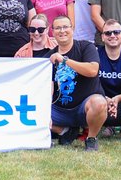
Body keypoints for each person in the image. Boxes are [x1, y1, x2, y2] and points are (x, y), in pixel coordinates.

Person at [45, 15, 106, 152]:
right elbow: (48, 86)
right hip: (59, 110)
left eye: (65, 27)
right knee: (34, 110)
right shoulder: (49, 57)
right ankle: (64, 131)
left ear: (72, 29)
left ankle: (91, 139)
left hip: (83, 108)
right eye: (57, 28)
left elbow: (92, 70)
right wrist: (45, 112)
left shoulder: (86, 47)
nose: (62, 31)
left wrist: (64, 61)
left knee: (99, 103)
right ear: (52, 32)